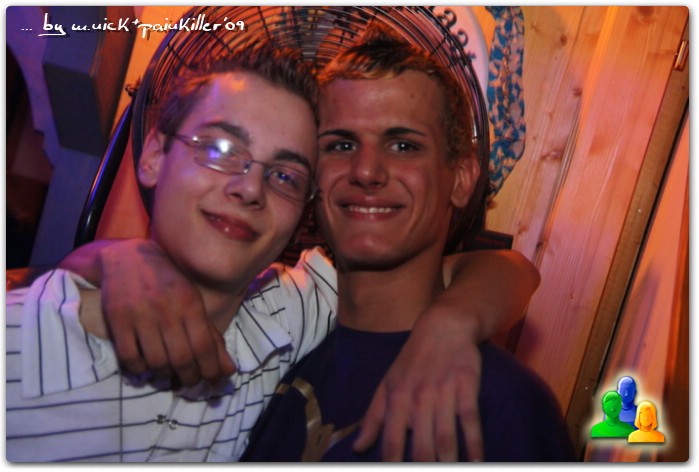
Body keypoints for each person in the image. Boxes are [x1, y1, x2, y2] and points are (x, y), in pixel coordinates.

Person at [6, 40, 538, 462]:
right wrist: (115, 257)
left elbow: (504, 269)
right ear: (152, 157)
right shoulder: (19, 338)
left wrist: (453, 321)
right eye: (220, 149)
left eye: (284, 174)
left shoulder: (285, 319)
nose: (248, 188)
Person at [240, 25, 575, 462]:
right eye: (341, 144)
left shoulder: (500, 407)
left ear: (461, 180)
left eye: (403, 145)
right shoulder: (276, 354)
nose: (366, 171)